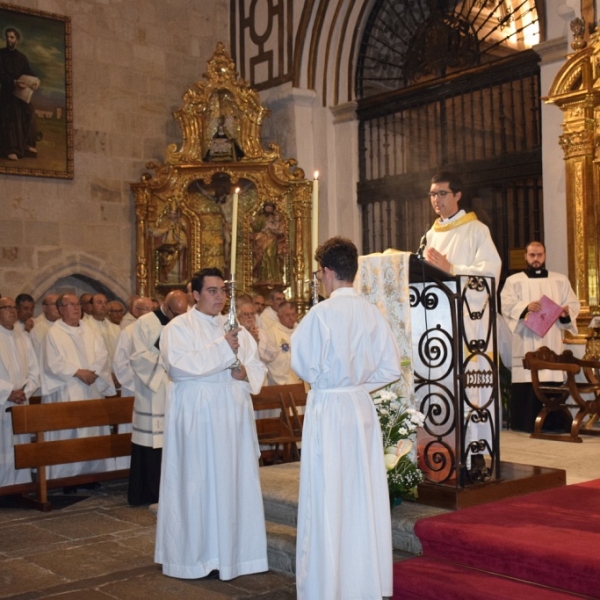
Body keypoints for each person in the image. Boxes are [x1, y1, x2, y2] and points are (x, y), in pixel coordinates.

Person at [291, 237, 402, 600]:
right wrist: (356, 384)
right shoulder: (373, 313)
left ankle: (327, 584)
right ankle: (362, 581)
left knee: (327, 495)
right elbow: (390, 368)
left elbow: (303, 364)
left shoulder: (319, 315)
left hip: (328, 409)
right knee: (361, 494)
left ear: (325, 271)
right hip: (358, 407)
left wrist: (337, 383)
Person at [155, 267, 268, 580]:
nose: (220, 297)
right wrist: (223, 347)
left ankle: (237, 555)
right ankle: (196, 557)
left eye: (223, 290)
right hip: (199, 422)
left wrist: (245, 372)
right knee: (199, 485)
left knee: (233, 483)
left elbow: (257, 367)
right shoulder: (178, 328)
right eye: (212, 291)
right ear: (195, 294)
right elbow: (179, 367)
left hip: (233, 421)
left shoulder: (236, 330)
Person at [501, 241, 580, 432]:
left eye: (539, 255)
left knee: (551, 378)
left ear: (545, 255)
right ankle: (525, 424)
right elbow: (506, 305)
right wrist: (525, 307)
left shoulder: (559, 280)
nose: (536, 259)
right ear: (526, 256)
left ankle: (553, 424)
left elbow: (572, 304)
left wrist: (565, 314)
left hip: (551, 337)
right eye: (532, 255)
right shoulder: (514, 281)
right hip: (526, 339)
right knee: (527, 381)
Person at [41, 293, 116, 479]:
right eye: (70, 305)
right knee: (68, 436)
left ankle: (91, 474)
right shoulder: (53, 333)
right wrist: (78, 372)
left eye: (77, 305)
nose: (76, 308)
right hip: (67, 390)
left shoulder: (91, 331)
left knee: (92, 433)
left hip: (91, 388)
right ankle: (67, 478)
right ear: (60, 310)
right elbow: (52, 363)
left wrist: (93, 372)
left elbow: (102, 355)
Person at [128, 290, 187, 506]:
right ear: (165, 305)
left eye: (183, 313)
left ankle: (174, 492)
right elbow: (137, 357)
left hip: (176, 388)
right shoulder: (145, 323)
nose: (178, 318)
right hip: (153, 390)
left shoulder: (184, 323)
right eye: (176, 313)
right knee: (152, 444)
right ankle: (149, 493)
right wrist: (166, 360)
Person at [423, 171, 501, 282]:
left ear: (457, 195)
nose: (436, 199)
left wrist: (451, 268)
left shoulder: (477, 230)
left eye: (442, 193)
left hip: (461, 299)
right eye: (433, 194)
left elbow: (489, 272)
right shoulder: (430, 235)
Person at [0, 296, 39, 487]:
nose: (12, 311)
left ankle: (20, 485)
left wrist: (26, 391)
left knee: (19, 444)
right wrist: (8, 392)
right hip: (2, 401)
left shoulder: (23, 336)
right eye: (6, 307)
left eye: (13, 307)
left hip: (20, 401)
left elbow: (34, 370)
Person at [0, 28, 39, 161]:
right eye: (7, 37)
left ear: (17, 40)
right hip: (7, 93)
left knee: (31, 112)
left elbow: (28, 72)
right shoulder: (1, 54)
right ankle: (12, 149)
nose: (9, 40)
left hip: (21, 94)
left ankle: (26, 143)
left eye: (11, 37)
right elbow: (1, 75)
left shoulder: (22, 57)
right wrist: (14, 82)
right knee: (13, 114)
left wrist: (35, 81)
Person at [263, 301, 301, 386]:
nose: (291, 318)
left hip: (300, 380)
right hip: (280, 382)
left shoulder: (301, 330)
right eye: (287, 315)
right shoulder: (271, 332)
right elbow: (268, 358)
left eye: (293, 314)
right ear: (278, 316)